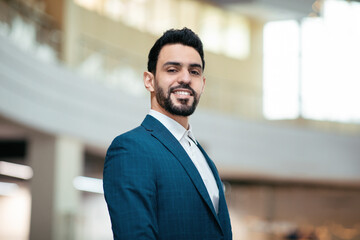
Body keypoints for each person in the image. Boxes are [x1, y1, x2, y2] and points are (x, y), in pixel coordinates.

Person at [103, 28, 232, 240]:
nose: (185, 78)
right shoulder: (131, 148)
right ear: (149, 81)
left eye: (194, 71)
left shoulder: (202, 157)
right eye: (172, 69)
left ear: (203, 84)